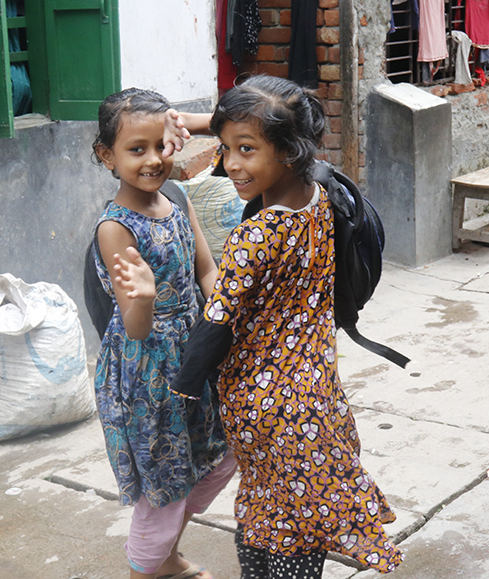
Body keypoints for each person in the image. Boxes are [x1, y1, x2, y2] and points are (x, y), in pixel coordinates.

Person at [163, 75, 403, 577]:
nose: (230, 164)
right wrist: (202, 121)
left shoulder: (260, 231)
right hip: (313, 390)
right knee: (287, 508)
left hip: (266, 405)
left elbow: (218, 317)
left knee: (279, 516)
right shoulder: (322, 194)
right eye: (225, 148)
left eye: (245, 150)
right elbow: (271, 127)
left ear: (290, 150)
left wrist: (182, 390)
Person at [90, 88, 236, 579]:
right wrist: (146, 298)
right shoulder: (115, 228)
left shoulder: (175, 196)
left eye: (160, 146)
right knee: (165, 484)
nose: (152, 160)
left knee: (213, 459)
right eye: (136, 149)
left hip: (192, 357)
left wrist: (226, 315)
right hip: (148, 376)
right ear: (106, 156)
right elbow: (134, 328)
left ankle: (167, 558)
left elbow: (207, 269)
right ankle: (144, 569)